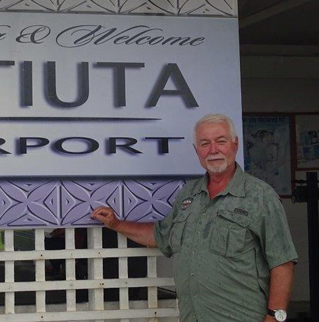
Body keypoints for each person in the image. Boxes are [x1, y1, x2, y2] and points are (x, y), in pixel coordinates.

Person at [91, 113, 297, 322]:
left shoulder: (260, 196)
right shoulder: (189, 194)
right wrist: (116, 224)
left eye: (221, 141)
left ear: (235, 145)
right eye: (205, 143)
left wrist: (275, 316)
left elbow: (282, 261)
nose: (213, 150)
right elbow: (161, 236)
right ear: (196, 150)